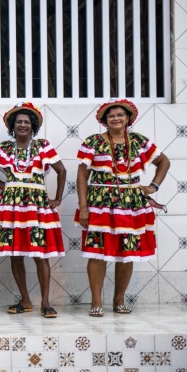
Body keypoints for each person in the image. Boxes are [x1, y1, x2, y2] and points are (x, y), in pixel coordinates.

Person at [75, 99, 170, 317]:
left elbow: (164, 161)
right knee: (97, 252)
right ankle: (96, 300)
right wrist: (83, 207)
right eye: (111, 116)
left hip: (132, 204)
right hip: (100, 202)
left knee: (128, 252)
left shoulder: (138, 141)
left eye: (120, 115)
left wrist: (153, 186)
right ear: (104, 120)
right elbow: (82, 174)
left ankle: (119, 299)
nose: (116, 118)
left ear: (128, 118)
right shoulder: (93, 142)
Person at [0, 102, 66, 318]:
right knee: (15, 254)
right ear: (12, 125)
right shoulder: (5, 147)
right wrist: (2, 184)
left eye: (26, 122)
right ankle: (26, 300)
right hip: (11, 204)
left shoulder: (43, 146)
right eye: (18, 122)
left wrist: (57, 198)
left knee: (41, 254)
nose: (22, 125)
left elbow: (61, 170)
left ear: (33, 126)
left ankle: (46, 303)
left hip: (37, 203)